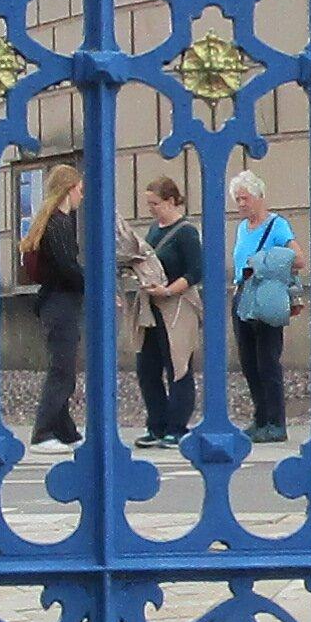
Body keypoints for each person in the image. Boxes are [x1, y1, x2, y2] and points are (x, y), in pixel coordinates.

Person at [126, 164, 202, 442]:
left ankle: (177, 425)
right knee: (147, 367)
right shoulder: (153, 231)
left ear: (171, 201)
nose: (152, 209)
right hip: (151, 305)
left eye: (155, 204)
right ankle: (156, 424)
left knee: (178, 365)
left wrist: (168, 290)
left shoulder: (186, 232)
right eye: (149, 204)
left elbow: (195, 271)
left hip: (177, 305)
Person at [226, 168, 300, 441]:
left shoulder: (277, 225)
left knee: (267, 359)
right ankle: (260, 417)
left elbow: (297, 257)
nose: (241, 204)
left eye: (245, 198)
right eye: (238, 199)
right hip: (242, 291)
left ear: (259, 197)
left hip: (265, 294)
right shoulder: (242, 228)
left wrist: (265, 262)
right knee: (248, 361)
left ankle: (276, 421)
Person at [21, 159, 88, 445]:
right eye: (80, 190)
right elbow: (66, 267)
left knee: (63, 367)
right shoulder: (59, 224)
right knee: (62, 370)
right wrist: (96, 287)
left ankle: (65, 430)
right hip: (61, 303)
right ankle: (43, 431)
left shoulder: (51, 221)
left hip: (53, 301)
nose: (82, 196)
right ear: (69, 189)